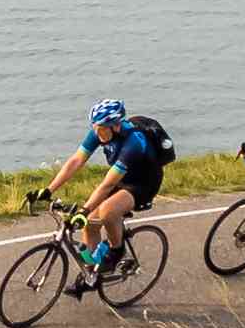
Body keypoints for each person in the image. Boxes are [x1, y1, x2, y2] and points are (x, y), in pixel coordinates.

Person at [33, 98, 162, 277]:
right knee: (90, 225)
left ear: (115, 125)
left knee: (108, 212)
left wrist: (84, 210)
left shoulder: (134, 142)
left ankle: (117, 251)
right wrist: (48, 190)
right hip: (122, 180)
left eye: (101, 129)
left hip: (143, 183)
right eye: (95, 127)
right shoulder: (99, 131)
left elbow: (107, 184)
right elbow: (76, 161)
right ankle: (90, 273)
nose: (97, 133)